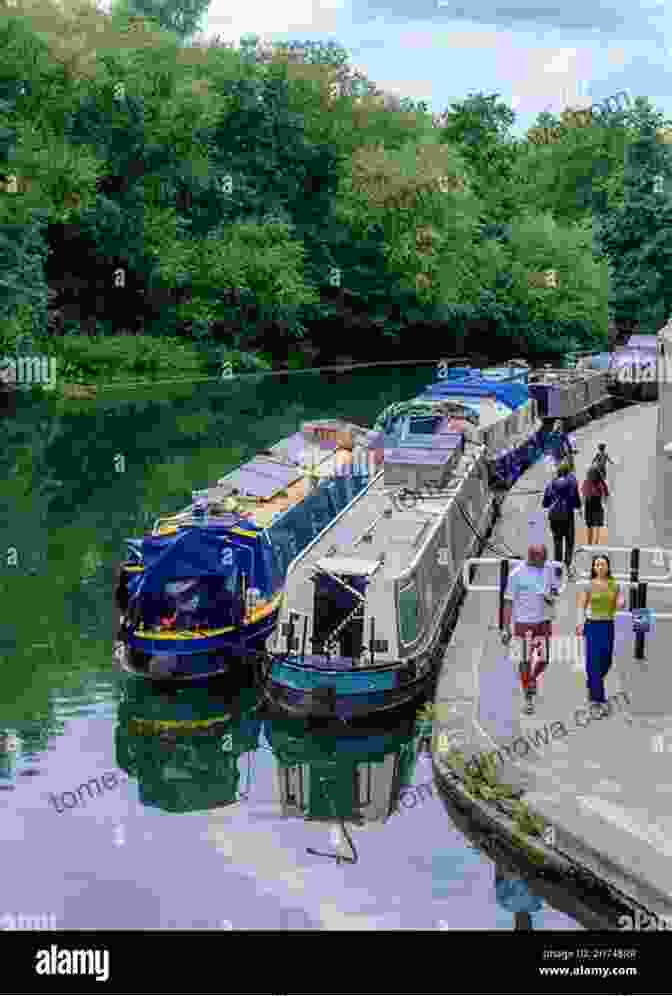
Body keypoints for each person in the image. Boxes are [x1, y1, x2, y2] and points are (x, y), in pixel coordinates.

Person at [501, 544, 558, 714]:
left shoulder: (548, 569)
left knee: (545, 658)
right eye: (542, 559)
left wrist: (551, 596)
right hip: (523, 624)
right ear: (532, 558)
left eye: (546, 558)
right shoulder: (516, 574)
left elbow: (554, 590)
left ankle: (532, 678)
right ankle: (527, 698)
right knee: (524, 660)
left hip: (544, 621)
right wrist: (505, 628)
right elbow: (508, 602)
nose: (545, 562)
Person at [576, 554, 625, 712]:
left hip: (608, 625)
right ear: (593, 568)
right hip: (592, 625)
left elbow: (620, 601)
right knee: (593, 661)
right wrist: (580, 623)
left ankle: (592, 683)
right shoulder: (589, 585)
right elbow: (581, 606)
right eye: (597, 565)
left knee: (606, 661)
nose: (600, 567)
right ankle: (598, 700)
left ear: (608, 567)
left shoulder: (614, 585)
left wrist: (621, 603)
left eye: (603, 564)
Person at [542, 461, 582, 579]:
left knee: (557, 542)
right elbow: (575, 499)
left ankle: (558, 570)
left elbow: (545, 503)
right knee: (569, 542)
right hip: (567, 516)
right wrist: (578, 508)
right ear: (568, 472)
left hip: (554, 517)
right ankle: (568, 568)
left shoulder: (551, 484)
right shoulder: (572, 482)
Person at [581, 465, 609, 546]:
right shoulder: (600, 481)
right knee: (597, 523)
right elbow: (606, 492)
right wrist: (604, 500)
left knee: (589, 524)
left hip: (589, 503)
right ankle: (596, 542)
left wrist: (582, 503)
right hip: (597, 502)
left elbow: (584, 493)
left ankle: (589, 542)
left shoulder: (587, 481)